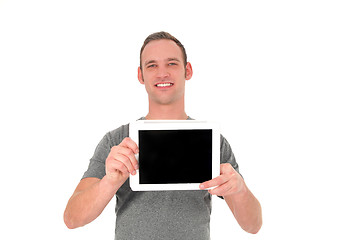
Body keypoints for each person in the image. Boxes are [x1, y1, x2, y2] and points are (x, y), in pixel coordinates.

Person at [64, 31, 262, 239]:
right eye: (152, 65)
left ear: (188, 70)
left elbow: (253, 225)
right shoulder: (118, 141)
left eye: (172, 63)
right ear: (141, 75)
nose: (162, 73)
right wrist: (109, 182)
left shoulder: (212, 141)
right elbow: (72, 218)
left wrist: (239, 190)